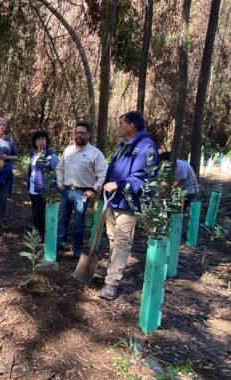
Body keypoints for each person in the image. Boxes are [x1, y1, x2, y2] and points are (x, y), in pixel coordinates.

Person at [98, 111, 158, 300]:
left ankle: (111, 284)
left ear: (131, 125)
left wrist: (119, 184)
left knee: (122, 242)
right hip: (112, 199)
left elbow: (142, 177)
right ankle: (111, 271)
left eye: (121, 122)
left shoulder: (146, 147)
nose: (119, 125)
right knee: (112, 238)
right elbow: (114, 169)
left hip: (128, 202)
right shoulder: (124, 145)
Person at [55, 122, 108, 258]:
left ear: (88, 135)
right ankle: (60, 243)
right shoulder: (68, 150)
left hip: (83, 193)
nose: (79, 135)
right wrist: (60, 182)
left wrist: (95, 189)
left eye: (82, 133)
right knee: (63, 218)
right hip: (66, 190)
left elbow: (103, 173)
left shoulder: (95, 154)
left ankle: (77, 249)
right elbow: (59, 168)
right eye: (77, 132)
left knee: (79, 222)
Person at [27, 130, 59, 241]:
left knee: (38, 212)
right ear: (35, 142)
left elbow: (58, 171)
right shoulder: (33, 153)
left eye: (43, 139)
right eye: (39, 139)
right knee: (34, 211)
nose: (42, 142)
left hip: (44, 189)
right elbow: (32, 170)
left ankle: (42, 233)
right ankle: (36, 231)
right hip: (32, 188)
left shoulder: (51, 156)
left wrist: (54, 186)